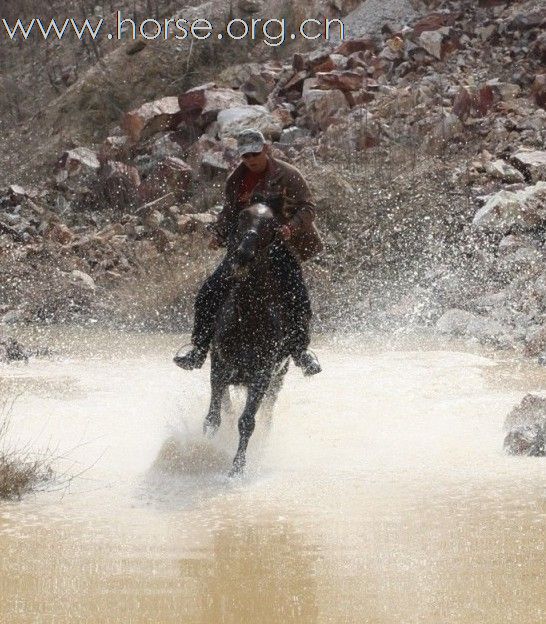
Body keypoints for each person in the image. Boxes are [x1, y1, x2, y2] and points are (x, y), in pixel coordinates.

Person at [174, 128, 323, 375]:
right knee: (208, 291)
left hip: (279, 247)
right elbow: (230, 214)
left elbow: (308, 207)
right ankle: (198, 349)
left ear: (265, 149)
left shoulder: (287, 174)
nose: (251, 160)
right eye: (246, 156)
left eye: (255, 153)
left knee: (298, 295)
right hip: (244, 247)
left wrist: (291, 227)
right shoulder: (236, 180)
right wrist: (219, 234)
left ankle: (300, 351)